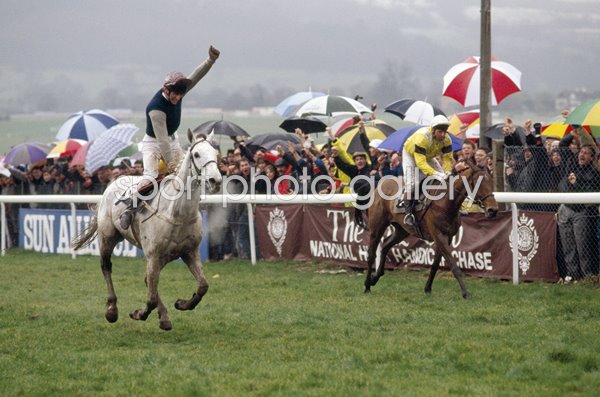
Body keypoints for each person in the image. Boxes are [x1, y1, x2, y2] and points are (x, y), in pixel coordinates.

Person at [120, 45, 220, 229]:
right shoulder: (155, 108)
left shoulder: (178, 92)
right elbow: (162, 141)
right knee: (150, 176)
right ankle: (130, 207)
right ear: (166, 90)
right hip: (154, 142)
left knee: (188, 171)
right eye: (175, 95)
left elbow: (196, 77)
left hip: (172, 139)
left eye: (180, 95)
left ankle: (189, 206)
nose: (177, 99)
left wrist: (210, 60)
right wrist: (171, 165)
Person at [398, 115, 454, 226]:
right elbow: (420, 163)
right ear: (433, 131)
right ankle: (408, 213)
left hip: (427, 155)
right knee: (412, 184)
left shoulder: (447, 139)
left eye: (444, 132)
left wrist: (446, 171)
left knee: (445, 178)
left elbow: (448, 158)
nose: (443, 135)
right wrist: (436, 173)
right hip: (411, 155)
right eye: (440, 132)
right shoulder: (422, 137)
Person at [557, 145, 600, 281]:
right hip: (566, 209)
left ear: (592, 158)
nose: (582, 155)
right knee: (568, 246)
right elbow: (562, 185)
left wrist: (575, 184)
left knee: (583, 247)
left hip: (580, 212)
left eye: (586, 153)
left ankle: (586, 277)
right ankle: (572, 275)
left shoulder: (594, 173)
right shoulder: (571, 166)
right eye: (581, 152)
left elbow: (589, 192)